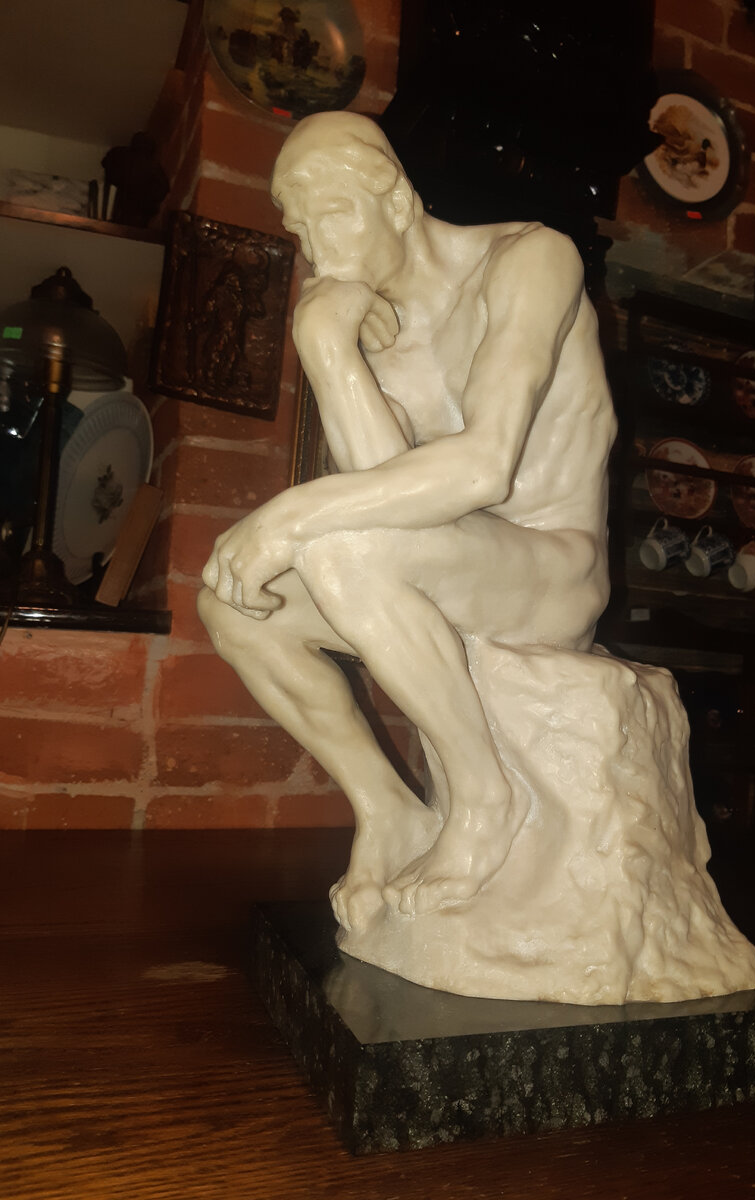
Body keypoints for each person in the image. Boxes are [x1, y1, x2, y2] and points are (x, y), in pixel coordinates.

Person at [198, 111, 617, 928]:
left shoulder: (530, 259)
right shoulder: (368, 317)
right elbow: (382, 489)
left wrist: (288, 517)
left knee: (337, 546)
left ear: (396, 197)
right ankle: (389, 809)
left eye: (334, 214)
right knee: (235, 609)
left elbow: (485, 465)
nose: (319, 251)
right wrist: (327, 348)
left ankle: (484, 796)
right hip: (460, 565)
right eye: (301, 230)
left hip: (553, 568)